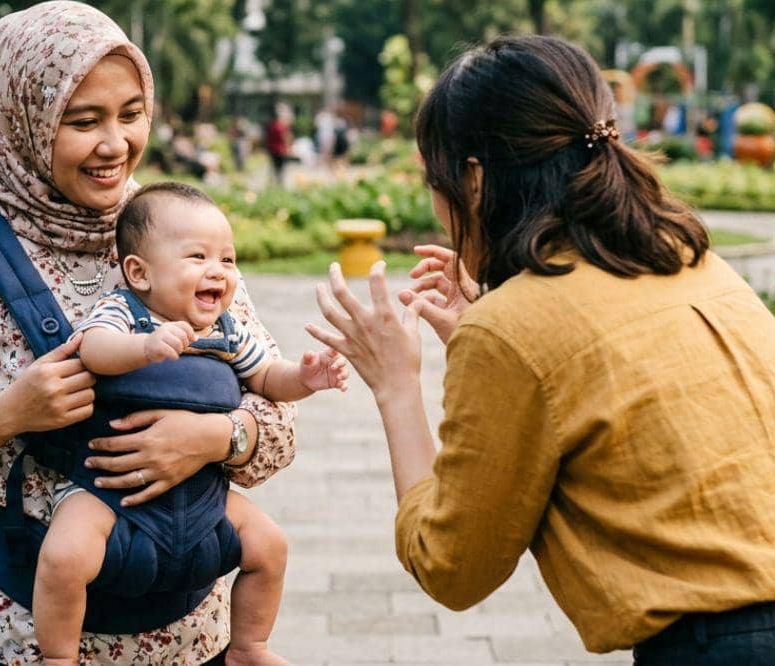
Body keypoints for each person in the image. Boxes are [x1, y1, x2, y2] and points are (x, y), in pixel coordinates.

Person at [307, 35, 775, 665]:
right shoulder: (693, 262)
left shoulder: (515, 328)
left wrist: (395, 384)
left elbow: (453, 566)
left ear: (473, 180)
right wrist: (491, 330)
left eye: (435, 179)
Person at [0, 2, 297, 664]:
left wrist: (215, 436)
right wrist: (8, 415)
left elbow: (278, 425)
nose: (115, 144)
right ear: (22, 122)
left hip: (189, 635)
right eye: (82, 120)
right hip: (21, 640)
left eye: (130, 114)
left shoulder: (172, 229)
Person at [35, 181, 347, 665]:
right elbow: (92, 349)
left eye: (227, 259)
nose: (218, 272)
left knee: (270, 545)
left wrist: (306, 378)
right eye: (198, 257)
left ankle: (248, 646)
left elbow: (265, 376)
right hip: (105, 490)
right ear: (139, 272)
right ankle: (58, 656)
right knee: (64, 555)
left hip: (201, 493)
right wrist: (144, 348)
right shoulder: (125, 312)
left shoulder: (225, 328)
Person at [264, 103, 294, 185]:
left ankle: (273, 184)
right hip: (280, 150)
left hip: (272, 150)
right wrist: (289, 148)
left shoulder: (270, 126)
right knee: (280, 170)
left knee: (274, 169)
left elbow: (266, 138)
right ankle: (279, 184)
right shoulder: (281, 126)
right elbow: (286, 138)